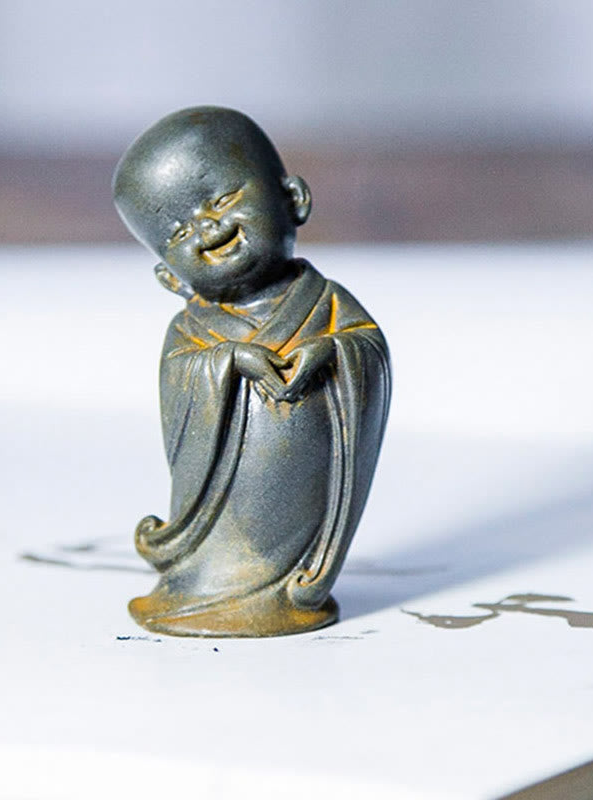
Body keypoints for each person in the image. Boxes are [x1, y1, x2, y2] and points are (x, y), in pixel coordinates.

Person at [114, 106, 390, 636]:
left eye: (221, 200)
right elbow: (180, 391)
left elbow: (368, 350)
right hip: (223, 507)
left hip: (302, 494)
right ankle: (208, 589)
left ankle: (290, 586)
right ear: (169, 278)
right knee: (215, 565)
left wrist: (330, 355)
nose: (207, 228)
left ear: (294, 199)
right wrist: (228, 360)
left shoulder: (326, 304)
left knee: (293, 538)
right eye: (177, 232)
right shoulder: (191, 331)